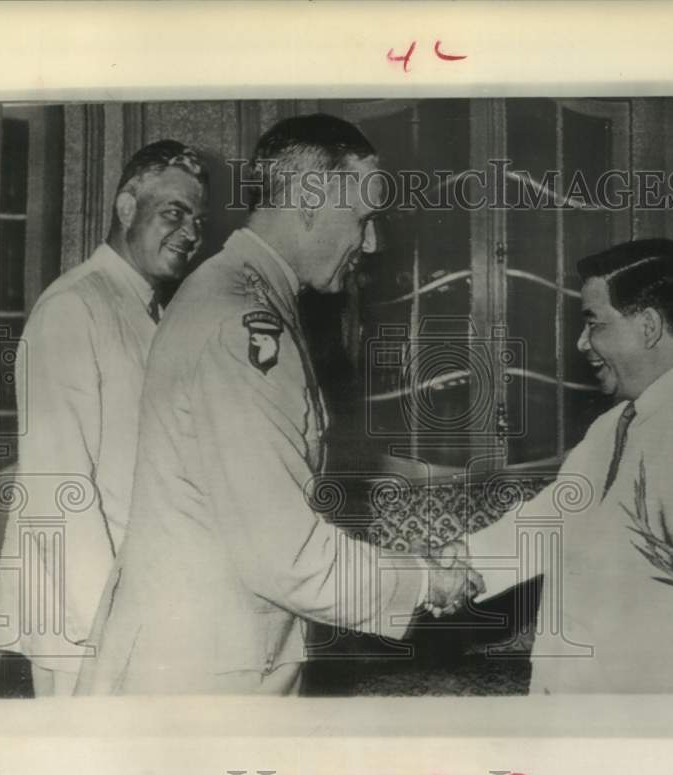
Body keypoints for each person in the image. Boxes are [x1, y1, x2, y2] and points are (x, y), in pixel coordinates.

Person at [75, 114, 482, 696]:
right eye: (363, 220)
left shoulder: (237, 292)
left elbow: (262, 505)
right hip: (203, 681)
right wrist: (423, 583)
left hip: (209, 655)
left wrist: (401, 562)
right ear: (311, 199)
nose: (371, 243)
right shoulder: (242, 321)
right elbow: (285, 554)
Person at [461, 238, 673, 693]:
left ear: (647, 326)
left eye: (594, 324)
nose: (582, 343)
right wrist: (454, 565)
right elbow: (549, 522)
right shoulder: (612, 427)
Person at [0, 140, 209, 696]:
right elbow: (54, 487)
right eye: (174, 213)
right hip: (83, 629)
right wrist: (105, 632)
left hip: (138, 613)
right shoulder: (72, 307)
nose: (190, 231)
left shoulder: (146, 310)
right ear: (125, 209)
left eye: (198, 219)